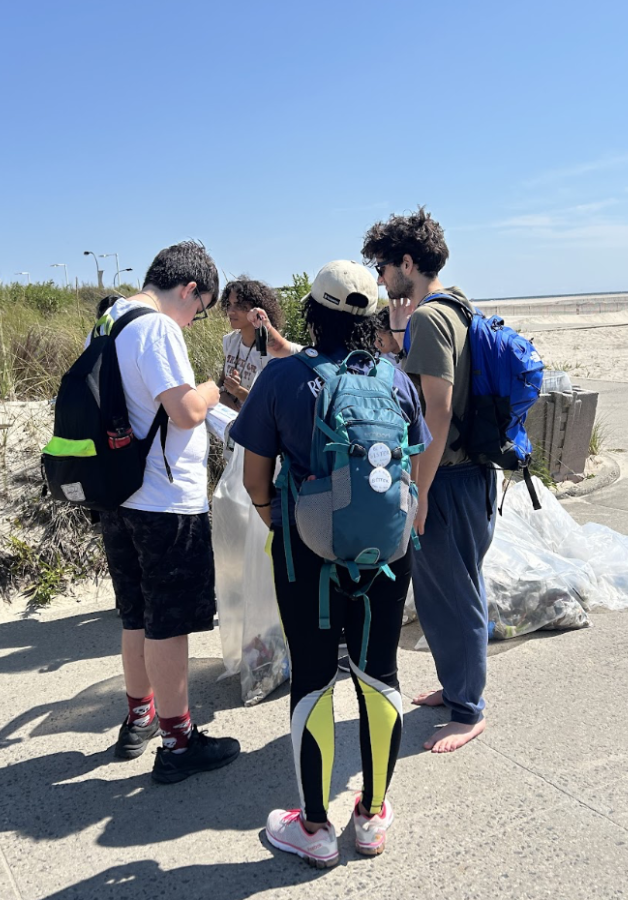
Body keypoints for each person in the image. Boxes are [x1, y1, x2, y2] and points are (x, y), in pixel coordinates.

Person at [230, 260, 430, 865]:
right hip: (387, 557)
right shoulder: (396, 380)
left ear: (312, 312)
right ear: (372, 318)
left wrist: (288, 525)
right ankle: (369, 818)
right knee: (380, 676)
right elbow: (414, 468)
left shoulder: (283, 376)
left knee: (314, 681)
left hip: (305, 556)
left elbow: (254, 479)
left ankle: (313, 829)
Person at [100, 241, 241, 783]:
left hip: (121, 495)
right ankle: (178, 741)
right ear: (189, 291)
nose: (195, 318)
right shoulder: (157, 327)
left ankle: (139, 717)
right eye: (199, 308)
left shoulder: (112, 318)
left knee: (135, 613)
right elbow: (184, 413)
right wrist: (209, 388)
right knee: (169, 624)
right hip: (164, 500)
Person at [363, 207, 495, 754]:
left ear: (407, 263)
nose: (379, 278)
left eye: (383, 267)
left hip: (450, 478)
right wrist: (397, 334)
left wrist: (418, 488)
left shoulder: (432, 319)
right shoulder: (455, 308)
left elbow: (434, 412)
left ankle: (469, 710)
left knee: (456, 592)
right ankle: (456, 686)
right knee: (444, 590)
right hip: (468, 474)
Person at [217, 279, 299, 411]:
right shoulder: (230, 341)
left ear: (257, 309)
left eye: (239, 305)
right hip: (227, 420)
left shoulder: (273, 353)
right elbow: (221, 381)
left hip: (254, 424)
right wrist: (223, 393)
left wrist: (239, 392)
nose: (231, 311)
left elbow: (273, 405)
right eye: (229, 304)